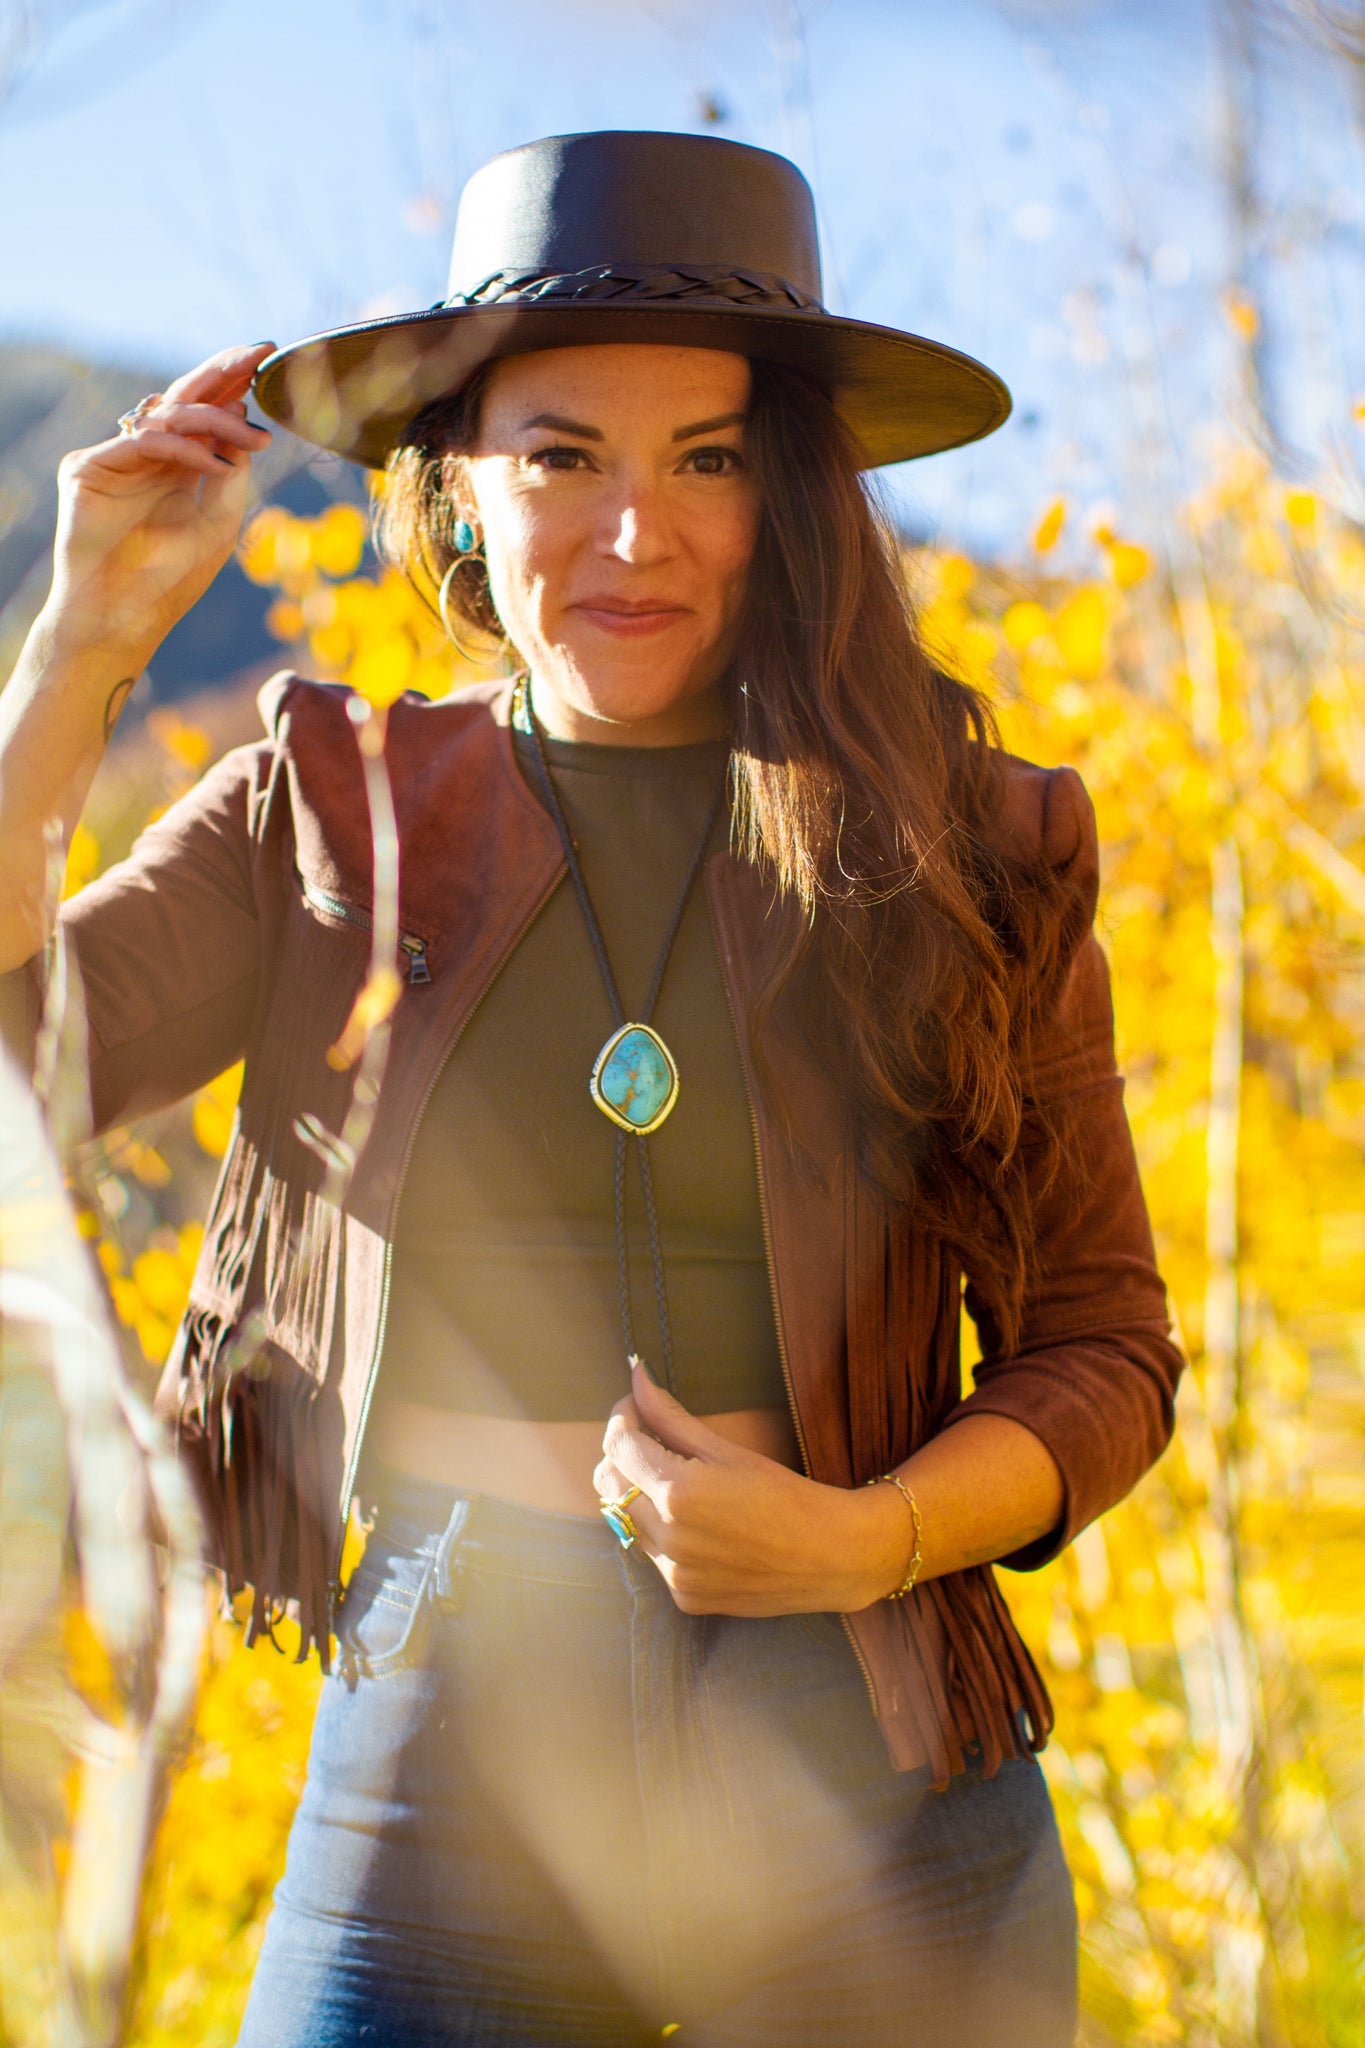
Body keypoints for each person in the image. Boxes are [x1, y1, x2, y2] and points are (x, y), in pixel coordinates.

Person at [0, 131, 1183, 2047]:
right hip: (441, 1741)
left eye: (706, 462)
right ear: (458, 489)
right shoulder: (329, 810)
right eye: (562, 456)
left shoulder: (972, 848)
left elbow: (1103, 1347)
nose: (635, 536)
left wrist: (860, 1537)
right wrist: (82, 651)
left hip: (866, 1754)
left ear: (790, 500)